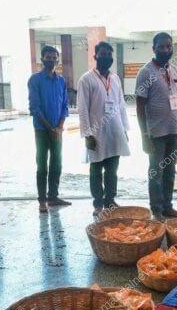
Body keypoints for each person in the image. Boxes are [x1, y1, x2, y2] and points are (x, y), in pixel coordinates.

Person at [135, 32, 177, 221]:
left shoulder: (173, 70)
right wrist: (144, 134)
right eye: (161, 47)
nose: (165, 50)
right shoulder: (145, 72)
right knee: (156, 173)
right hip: (155, 134)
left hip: (173, 131)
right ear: (154, 49)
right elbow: (140, 105)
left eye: (168, 46)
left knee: (170, 172)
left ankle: (167, 207)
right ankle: (156, 210)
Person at [77, 41, 130, 217]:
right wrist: (87, 134)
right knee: (96, 170)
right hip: (96, 132)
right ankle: (98, 203)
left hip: (115, 131)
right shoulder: (86, 79)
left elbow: (121, 105)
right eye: (102, 54)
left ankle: (110, 200)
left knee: (112, 170)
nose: (106, 57)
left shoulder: (115, 79)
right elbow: (83, 108)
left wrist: (124, 130)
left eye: (109, 54)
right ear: (95, 56)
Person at [28, 45, 70, 213]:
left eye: (54, 58)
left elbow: (65, 105)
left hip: (57, 130)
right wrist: (50, 129)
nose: (51, 61)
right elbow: (35, 108)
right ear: (42, 59)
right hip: (42, 130)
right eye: (48, 58)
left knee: (56, 164)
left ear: (57, 60)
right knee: (42, 165)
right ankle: (42, 200)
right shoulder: (35, 80)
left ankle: (53, 196)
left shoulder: (61, 81)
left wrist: (59, 126)